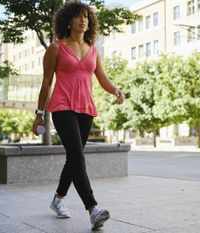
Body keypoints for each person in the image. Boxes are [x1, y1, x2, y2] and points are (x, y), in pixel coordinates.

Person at [31, 2, 125, 231]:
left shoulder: (93, 49)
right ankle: (93, 209)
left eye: (86, 17)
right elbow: (46, 82)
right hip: (62, 106)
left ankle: (58, 199)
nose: (83, 20)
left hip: (85, 108)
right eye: (78, 16)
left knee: (74, 157)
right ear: (68, 20)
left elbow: (102, 78)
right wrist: (39, 114)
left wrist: (116, 90)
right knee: (77, 157)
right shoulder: (56, 48)